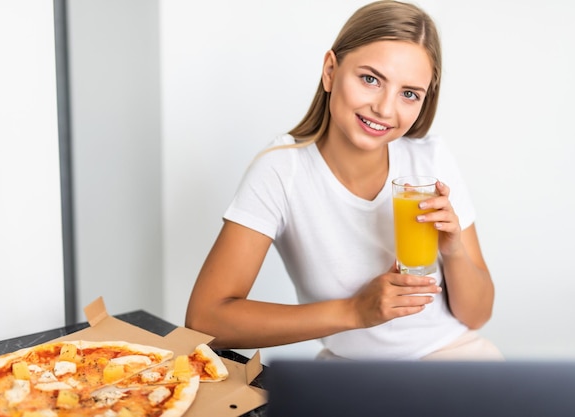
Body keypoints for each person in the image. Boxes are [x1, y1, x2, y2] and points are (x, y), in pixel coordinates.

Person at [186, 0, 502, 360]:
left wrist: (454, 250)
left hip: (455, 355)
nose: (385, 109)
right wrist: (353, 311)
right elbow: (204, 320)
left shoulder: (429, 159)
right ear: (330, 70)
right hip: (348, 370)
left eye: (409, 94)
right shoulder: (281, 171)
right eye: (370, 79)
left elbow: (478, 315)